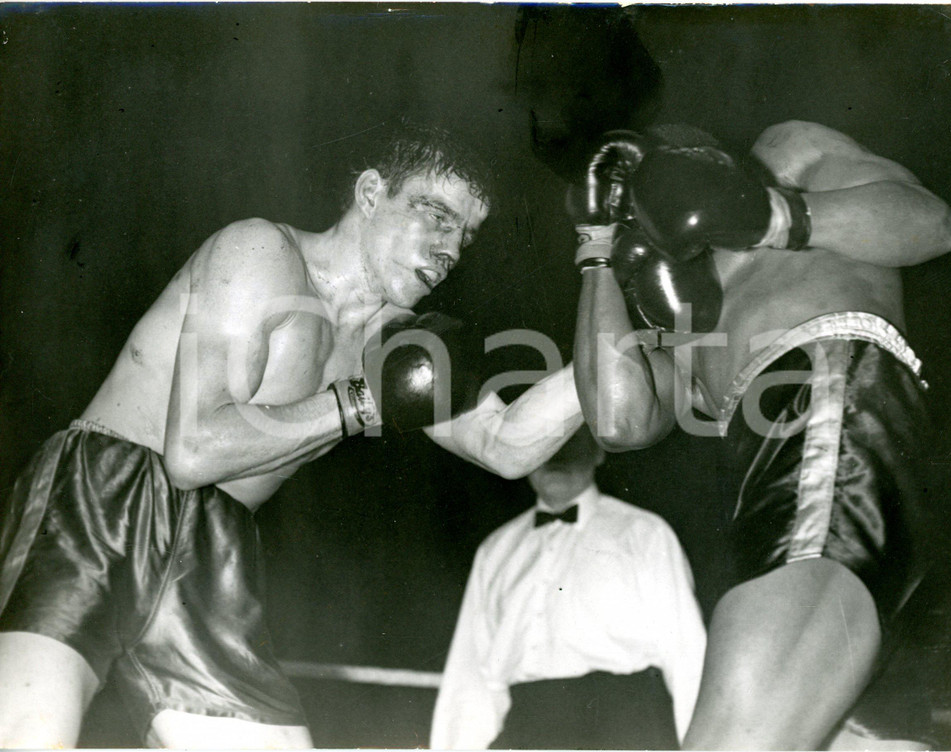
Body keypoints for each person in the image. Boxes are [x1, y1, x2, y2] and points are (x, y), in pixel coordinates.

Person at [0, 123, 584, 749]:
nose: (450, 249)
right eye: (437, 216)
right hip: (102, 497)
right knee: (31, 735)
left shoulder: (399, 341)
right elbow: (193, 452)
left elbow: (504, 444)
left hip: (214, 544)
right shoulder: (260, 254)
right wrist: (357, 402)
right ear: (369, 193)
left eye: (466, 235)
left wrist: (624, 351)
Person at [570, 120, 951, 749]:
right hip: (783, 484)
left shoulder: (788, 155)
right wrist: (594, 246)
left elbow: (935, 225)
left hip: (835, 414)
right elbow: (619, 420)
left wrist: (771, 217)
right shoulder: (680, 307)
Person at [430, 426, 705, 750]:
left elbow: (689, 661)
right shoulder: (496, 550)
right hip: (526, 734)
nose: (557, 453)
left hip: (624, 731)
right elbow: (470, 681)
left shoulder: (644, 534)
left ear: (599, 449)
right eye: (544, 440)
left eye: (572, 439)